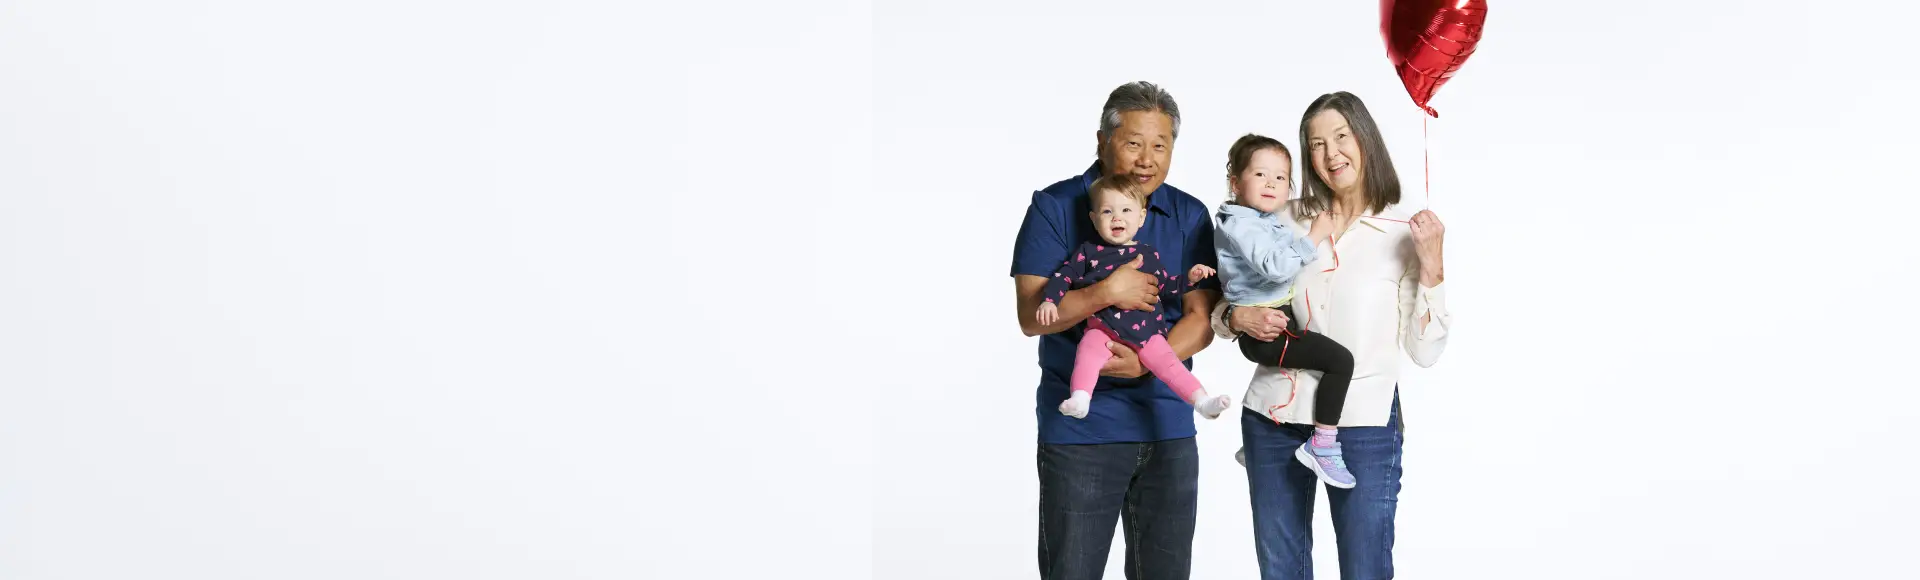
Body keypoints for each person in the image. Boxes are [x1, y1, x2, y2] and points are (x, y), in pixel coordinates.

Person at [1211, 91, 1452, 580]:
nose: (1330, 153)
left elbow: (1424, 351)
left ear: (1365, 139)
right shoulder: (1281, 216)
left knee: (1365, 570)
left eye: (1341, 137)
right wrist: (1234, 319)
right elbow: (1228, 296)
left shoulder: (1406, 229)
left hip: (1361, 424)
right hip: (1274, 419)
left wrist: (1433, 268)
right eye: (1316, 143)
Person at [1011, 81, 1222, 580]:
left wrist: (1147, 362)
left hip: (1169, 425)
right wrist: (1107, 292)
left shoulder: (1188, 214)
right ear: (1102, 140)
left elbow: (1201, 318)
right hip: (1082, 430)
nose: (1146, 159)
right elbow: (1028, 315)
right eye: (1133, 143)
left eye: (1160, 145)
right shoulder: (1056, 206)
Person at [1211, 133, 1359, 489]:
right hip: (1266, 326)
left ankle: (1259, 445)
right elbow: (1276, 266)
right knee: (1340, 361)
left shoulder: (1264, 219)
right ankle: (1323, 446)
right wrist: (1316, 235)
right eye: (1260, 175)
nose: (1271, 184)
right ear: (1235, 182)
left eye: (1280, 178)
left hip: (1276, 318)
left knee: (1308, 366)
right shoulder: (1242, 223)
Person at [1036, 174, 1232, 421]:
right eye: (1107, 212)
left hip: (1147, 334)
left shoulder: (1147, 254)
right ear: (1094, 219)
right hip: (1103, 331)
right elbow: (1063, 276)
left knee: (1169, 364)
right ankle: (1081, 397)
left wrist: (1190, 279)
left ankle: (1202, 401)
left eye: (1126, 210)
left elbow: (1167, 286)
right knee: (1087, 351)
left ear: (1141, 218)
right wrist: (1050, 300)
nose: (1117, 217)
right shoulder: (1088, 253)